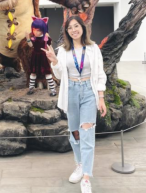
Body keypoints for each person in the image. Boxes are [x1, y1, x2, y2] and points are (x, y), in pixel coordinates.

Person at [42, 15, 107, 193]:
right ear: (67, 31)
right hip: (71, 91)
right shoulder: (63, 50)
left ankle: (86, 176)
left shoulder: (93, 48)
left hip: (88, 91)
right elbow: (60, 73)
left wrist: (100, 97)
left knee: (87, 132)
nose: (74, 30)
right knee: (75, 133)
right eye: (70, 28)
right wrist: (54, 61)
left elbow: (100, 73)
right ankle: (79, 164)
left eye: (76, 26)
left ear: (82, 28)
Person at [25, 16, 57, 96]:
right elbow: (30, 45)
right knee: (33, 73)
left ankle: (53, 90)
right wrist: (27, 38)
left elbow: (50, 46)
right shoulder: (33, 39)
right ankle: (31, 89)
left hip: (43, 57)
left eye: (38, 30)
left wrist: (52, 55)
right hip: (35, 57)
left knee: (47, 73)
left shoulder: (46, 39)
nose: (35, 32)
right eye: (34, 29)